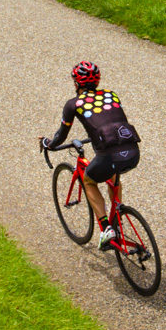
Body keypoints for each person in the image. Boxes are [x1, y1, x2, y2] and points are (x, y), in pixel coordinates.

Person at [41, 61, 141, 249]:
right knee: (112, 175)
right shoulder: (111, 95)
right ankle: (117, 215)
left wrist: (48, 144)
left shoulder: (73, 104)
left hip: (109, 156)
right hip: (133, 151)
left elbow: (61, 136)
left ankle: (106, 228)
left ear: (76, 83)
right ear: (97, 80)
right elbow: (108, 120)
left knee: (89, 180)